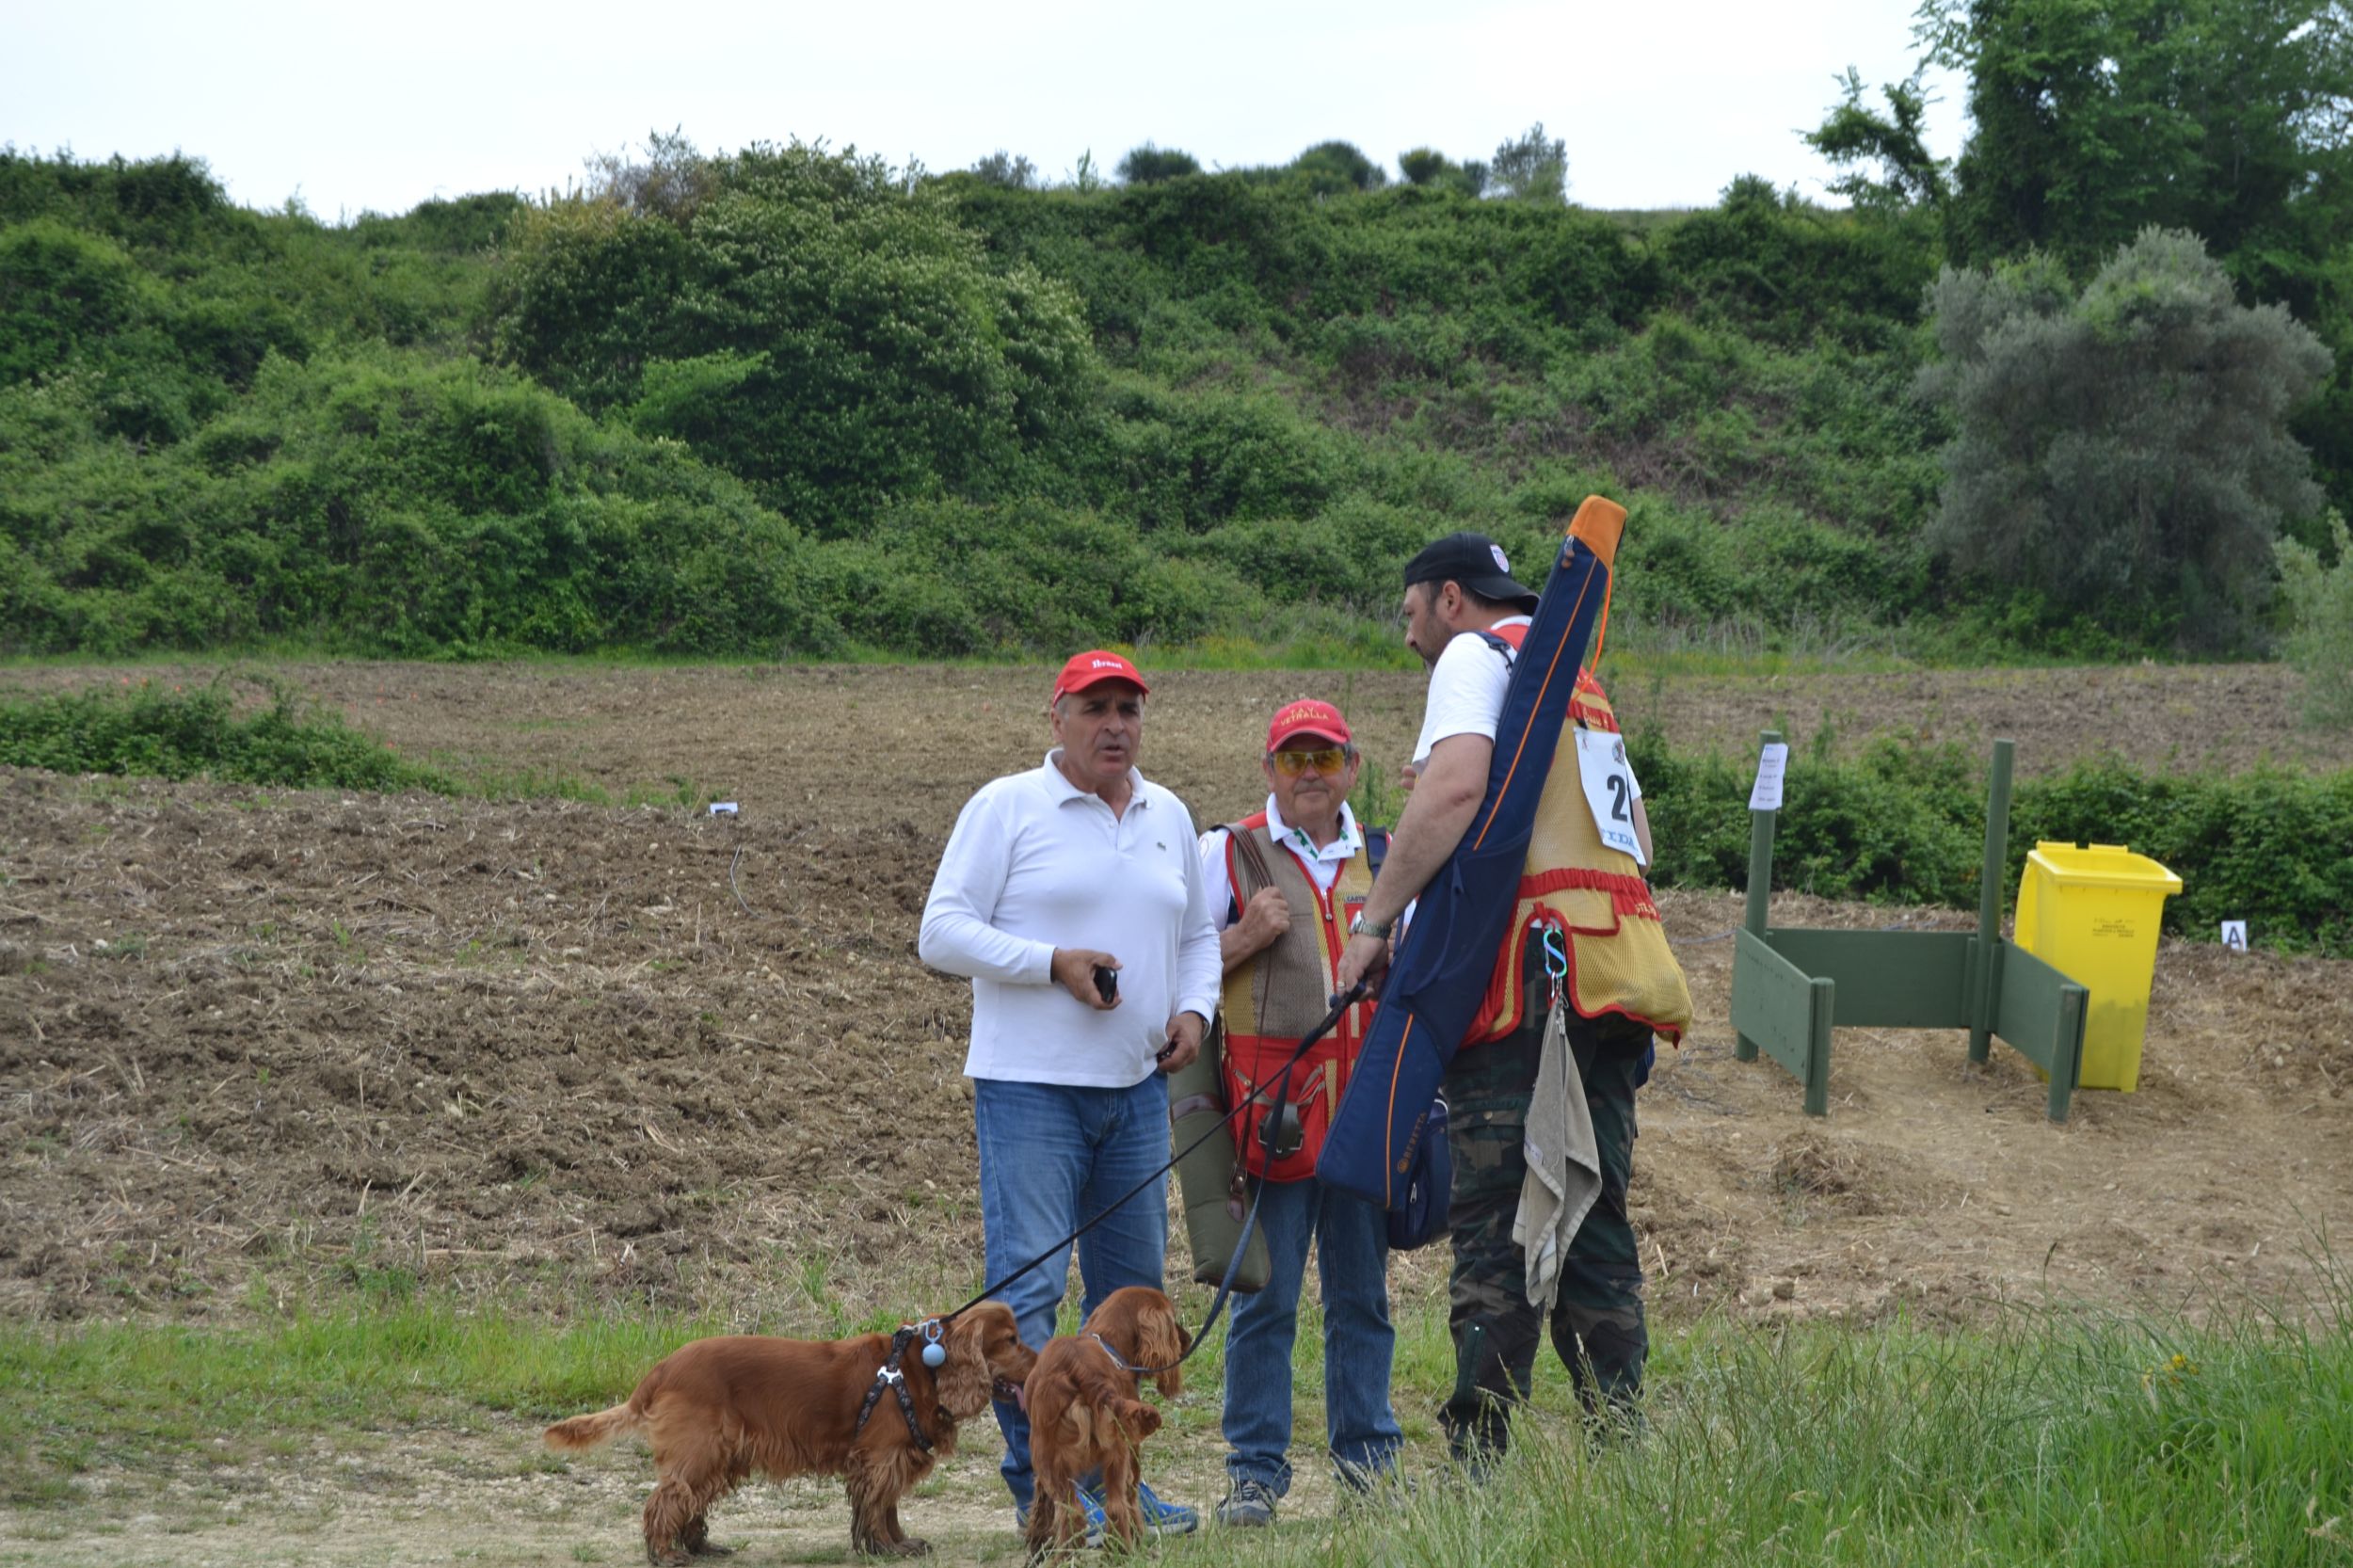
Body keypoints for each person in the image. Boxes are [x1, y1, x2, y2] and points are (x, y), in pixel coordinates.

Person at [1334, 533, 1692, 1468]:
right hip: (1611, 982)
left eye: (1410, 614)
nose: (1408, 637)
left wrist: (1374, 923)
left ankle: (1479, 1466)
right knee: (1594, 1220)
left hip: (1524, 994)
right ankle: (1622, 1450)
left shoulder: (1472, 657)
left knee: (1498, 1226)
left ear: (1450, 599)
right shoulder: (1576, 680)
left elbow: (1453, 790)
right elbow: (1636, 832)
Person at [918, 650, 1219, 1539]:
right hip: (1031, 1092)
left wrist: (1194, 1011)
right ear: (1058, 717)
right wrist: (1051, 963)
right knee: (1035, 1298)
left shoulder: (1168, 813)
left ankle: (1121, 1484)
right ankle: (1044, 1489)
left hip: (1135, 1093)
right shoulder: (1008, 806)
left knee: (1128, 1308)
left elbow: (1199, 935)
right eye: (1095, 708)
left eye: (1128, 707)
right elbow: (941, 932)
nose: (1114, 723)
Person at [1195, 699, 1403, 1528]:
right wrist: (1245, 938)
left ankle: (1369, 1465)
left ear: (1352, 766)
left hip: (1361, 1117)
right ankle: (1254, 1472)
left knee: (1363, 1299)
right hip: (1271, 1117)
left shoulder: (1388, 859)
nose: (1309, 775)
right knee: (1265, 1300)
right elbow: (1176, 972)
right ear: (1268, 769)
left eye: (1324, 759)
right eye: (1293, 760)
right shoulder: (1228, 853)